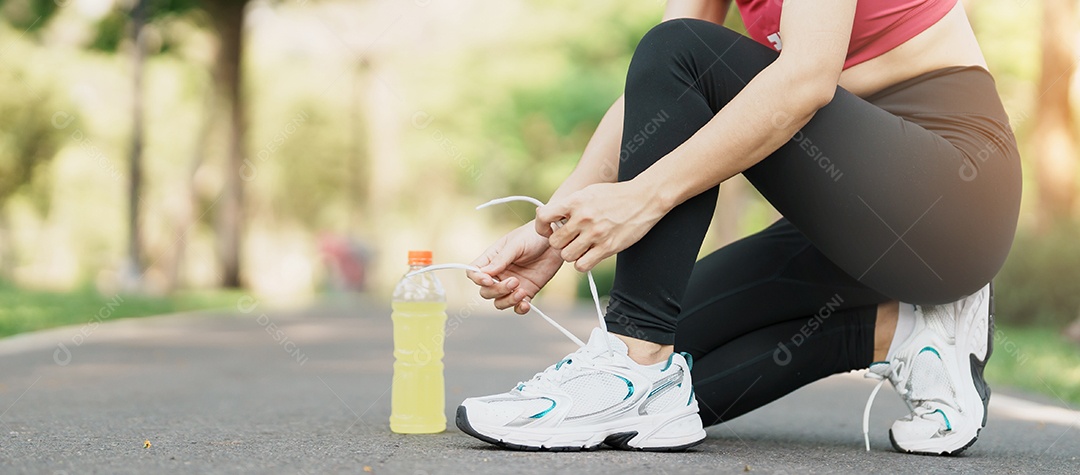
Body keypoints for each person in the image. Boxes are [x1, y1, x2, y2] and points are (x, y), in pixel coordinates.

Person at [456, 0, 1020, 455]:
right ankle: (896, 332)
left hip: (947, 195)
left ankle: (633, 360)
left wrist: (641, 199)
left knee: (679, 49)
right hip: (850, 220)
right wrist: (555, 228)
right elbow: (653, 88)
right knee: (678, 387)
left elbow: (804, 80)